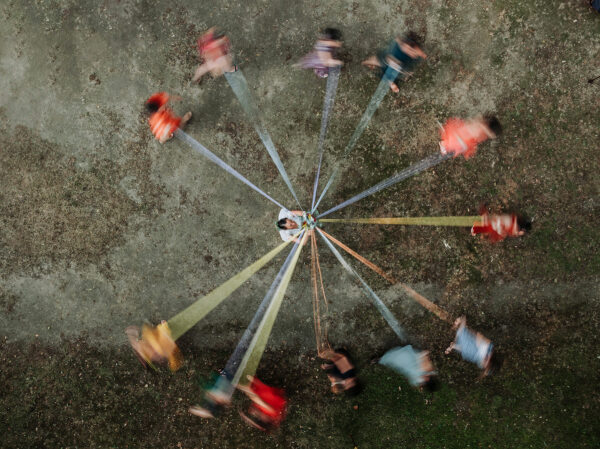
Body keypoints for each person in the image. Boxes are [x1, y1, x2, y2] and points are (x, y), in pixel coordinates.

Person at [361, 31, 427, 93]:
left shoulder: (408, 48)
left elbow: (403, 42)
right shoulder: (397, 49)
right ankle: (369, 62)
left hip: (398, 59)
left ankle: (371, 62)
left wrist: (421, 54)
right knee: (383, 66)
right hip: (391, 61)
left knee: (388, 67)